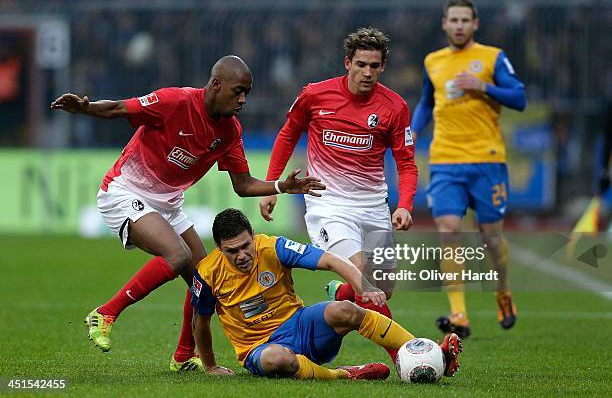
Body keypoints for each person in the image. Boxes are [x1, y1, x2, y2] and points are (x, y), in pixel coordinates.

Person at [50, 55, 325, 373]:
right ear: (216, 84)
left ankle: (183, 355)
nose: (243, 100)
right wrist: (84, 108)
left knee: (203, 277)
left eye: (246, 93)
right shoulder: (175, 101)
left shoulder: (230, 131)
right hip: (124, 192)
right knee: (178, 256)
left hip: (167, 203)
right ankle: (107, 312)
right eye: (238, 91)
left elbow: (243, 184)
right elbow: (119, 108)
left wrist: (281, 186)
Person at [258, 27, 418, 361]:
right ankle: (407, 354)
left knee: (383, 287)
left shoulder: (395, 107)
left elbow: (406, 163)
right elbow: (288, 135)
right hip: (327, 203)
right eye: (361, 64)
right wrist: (272, 186)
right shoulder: (315, 95)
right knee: (366, 283)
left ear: (383, 67)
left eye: (375, 66)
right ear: (347, 62)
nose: (367, 72)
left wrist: (404, 205)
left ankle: (340, 292)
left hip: (373, 204)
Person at [191, 208, 462, 379]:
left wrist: (362, 285)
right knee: (279, 359)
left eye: (245, 246)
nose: (241, 255)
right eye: (232, 251)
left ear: (253, 235)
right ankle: (344, 375)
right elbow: (200, 321)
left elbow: (331, 260)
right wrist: (211, 366)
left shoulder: (272, 247)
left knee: (345, 309)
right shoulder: (207, 272)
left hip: (301, 325)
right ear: (218, 247)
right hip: (258, 349)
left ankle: (424, 352)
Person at [411, 0, 527, 338]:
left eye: (465, 20)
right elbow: (426, 102)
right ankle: (458, 312)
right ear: (444, 24)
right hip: (445, 159)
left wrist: (484, 86)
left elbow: (519, 98)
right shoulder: (433, 61)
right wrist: (414, 131)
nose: (459, 25)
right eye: (454, 20)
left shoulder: (493, 57)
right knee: (448, 231)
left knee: (491, 238)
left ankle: (502, 292)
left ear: (475, 24)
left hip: (487, 160)